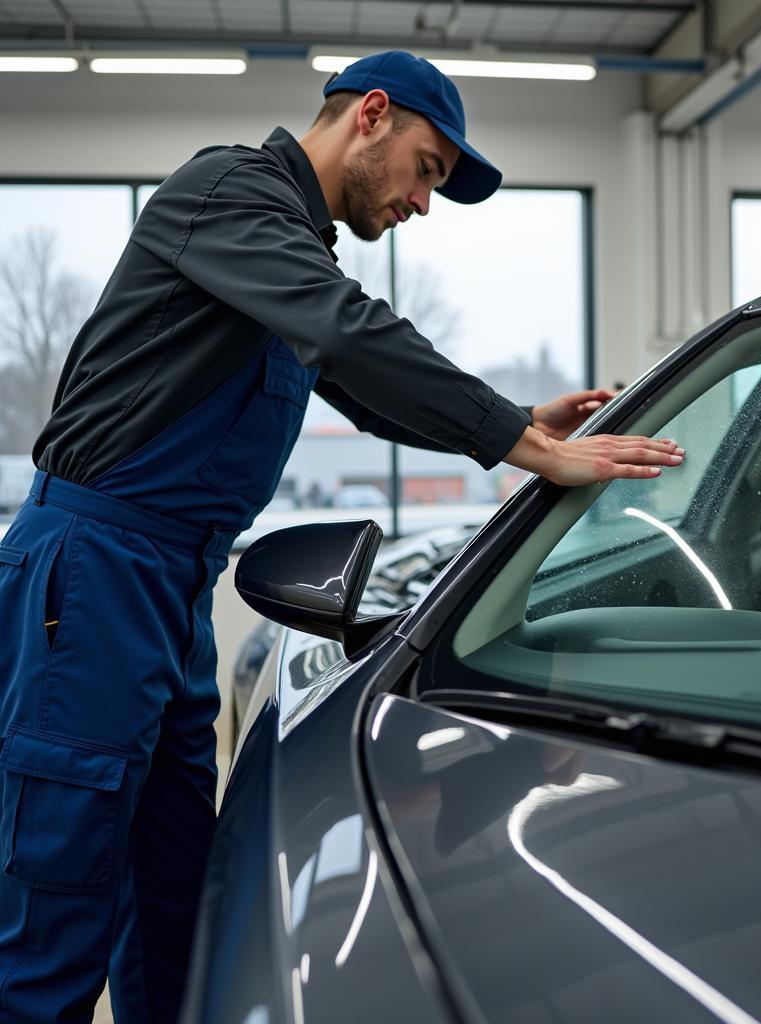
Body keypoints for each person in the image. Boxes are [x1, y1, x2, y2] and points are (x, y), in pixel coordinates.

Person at [0, 50, 684, 1022]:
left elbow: (358, 391)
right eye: (429, 169)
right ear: (370, 115)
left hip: (171, 590)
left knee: (171, 890)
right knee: (57, 897)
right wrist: (524, 443)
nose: (421, 203)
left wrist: (522, 419)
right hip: (93, 576)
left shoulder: (289, 257)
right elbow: (351, 335)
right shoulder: (228, 193)